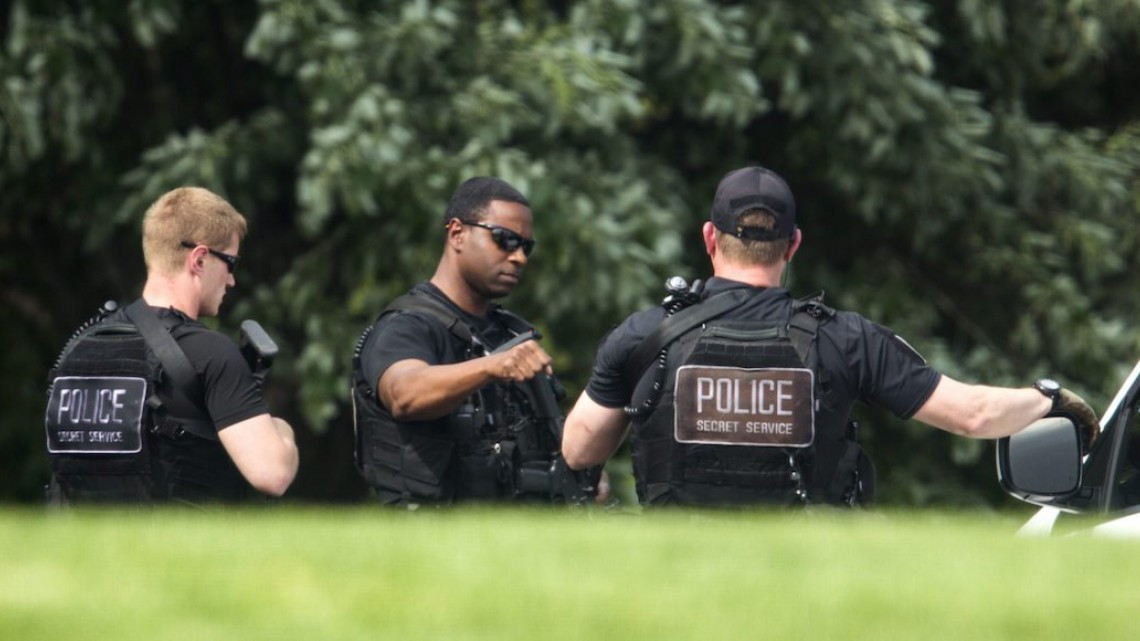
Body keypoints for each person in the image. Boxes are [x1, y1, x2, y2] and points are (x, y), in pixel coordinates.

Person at [561, 166, 1100, 507]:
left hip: (672, 573)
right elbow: (974, 414)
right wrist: (1050, 398)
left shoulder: (645, 334)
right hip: (805, 577)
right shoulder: (844, 338)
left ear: (709, 238)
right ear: (792, 244)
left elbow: (579, 449)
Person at [351, 177, 599, 506]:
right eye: (505, 240)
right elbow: (404, 394)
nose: (519, 257)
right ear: (457, 233)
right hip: (430, 536)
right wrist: (493, 366)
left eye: (526, 246)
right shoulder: (408, 325)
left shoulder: (511, 333)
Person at [45, 187, 299, 505]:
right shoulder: (210, 353)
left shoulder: (81, 349)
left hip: (80, 551)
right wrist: (281, 429)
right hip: (177, 552)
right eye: (230, 263)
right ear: (200, 259)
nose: (232, 280)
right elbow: (272, 474)